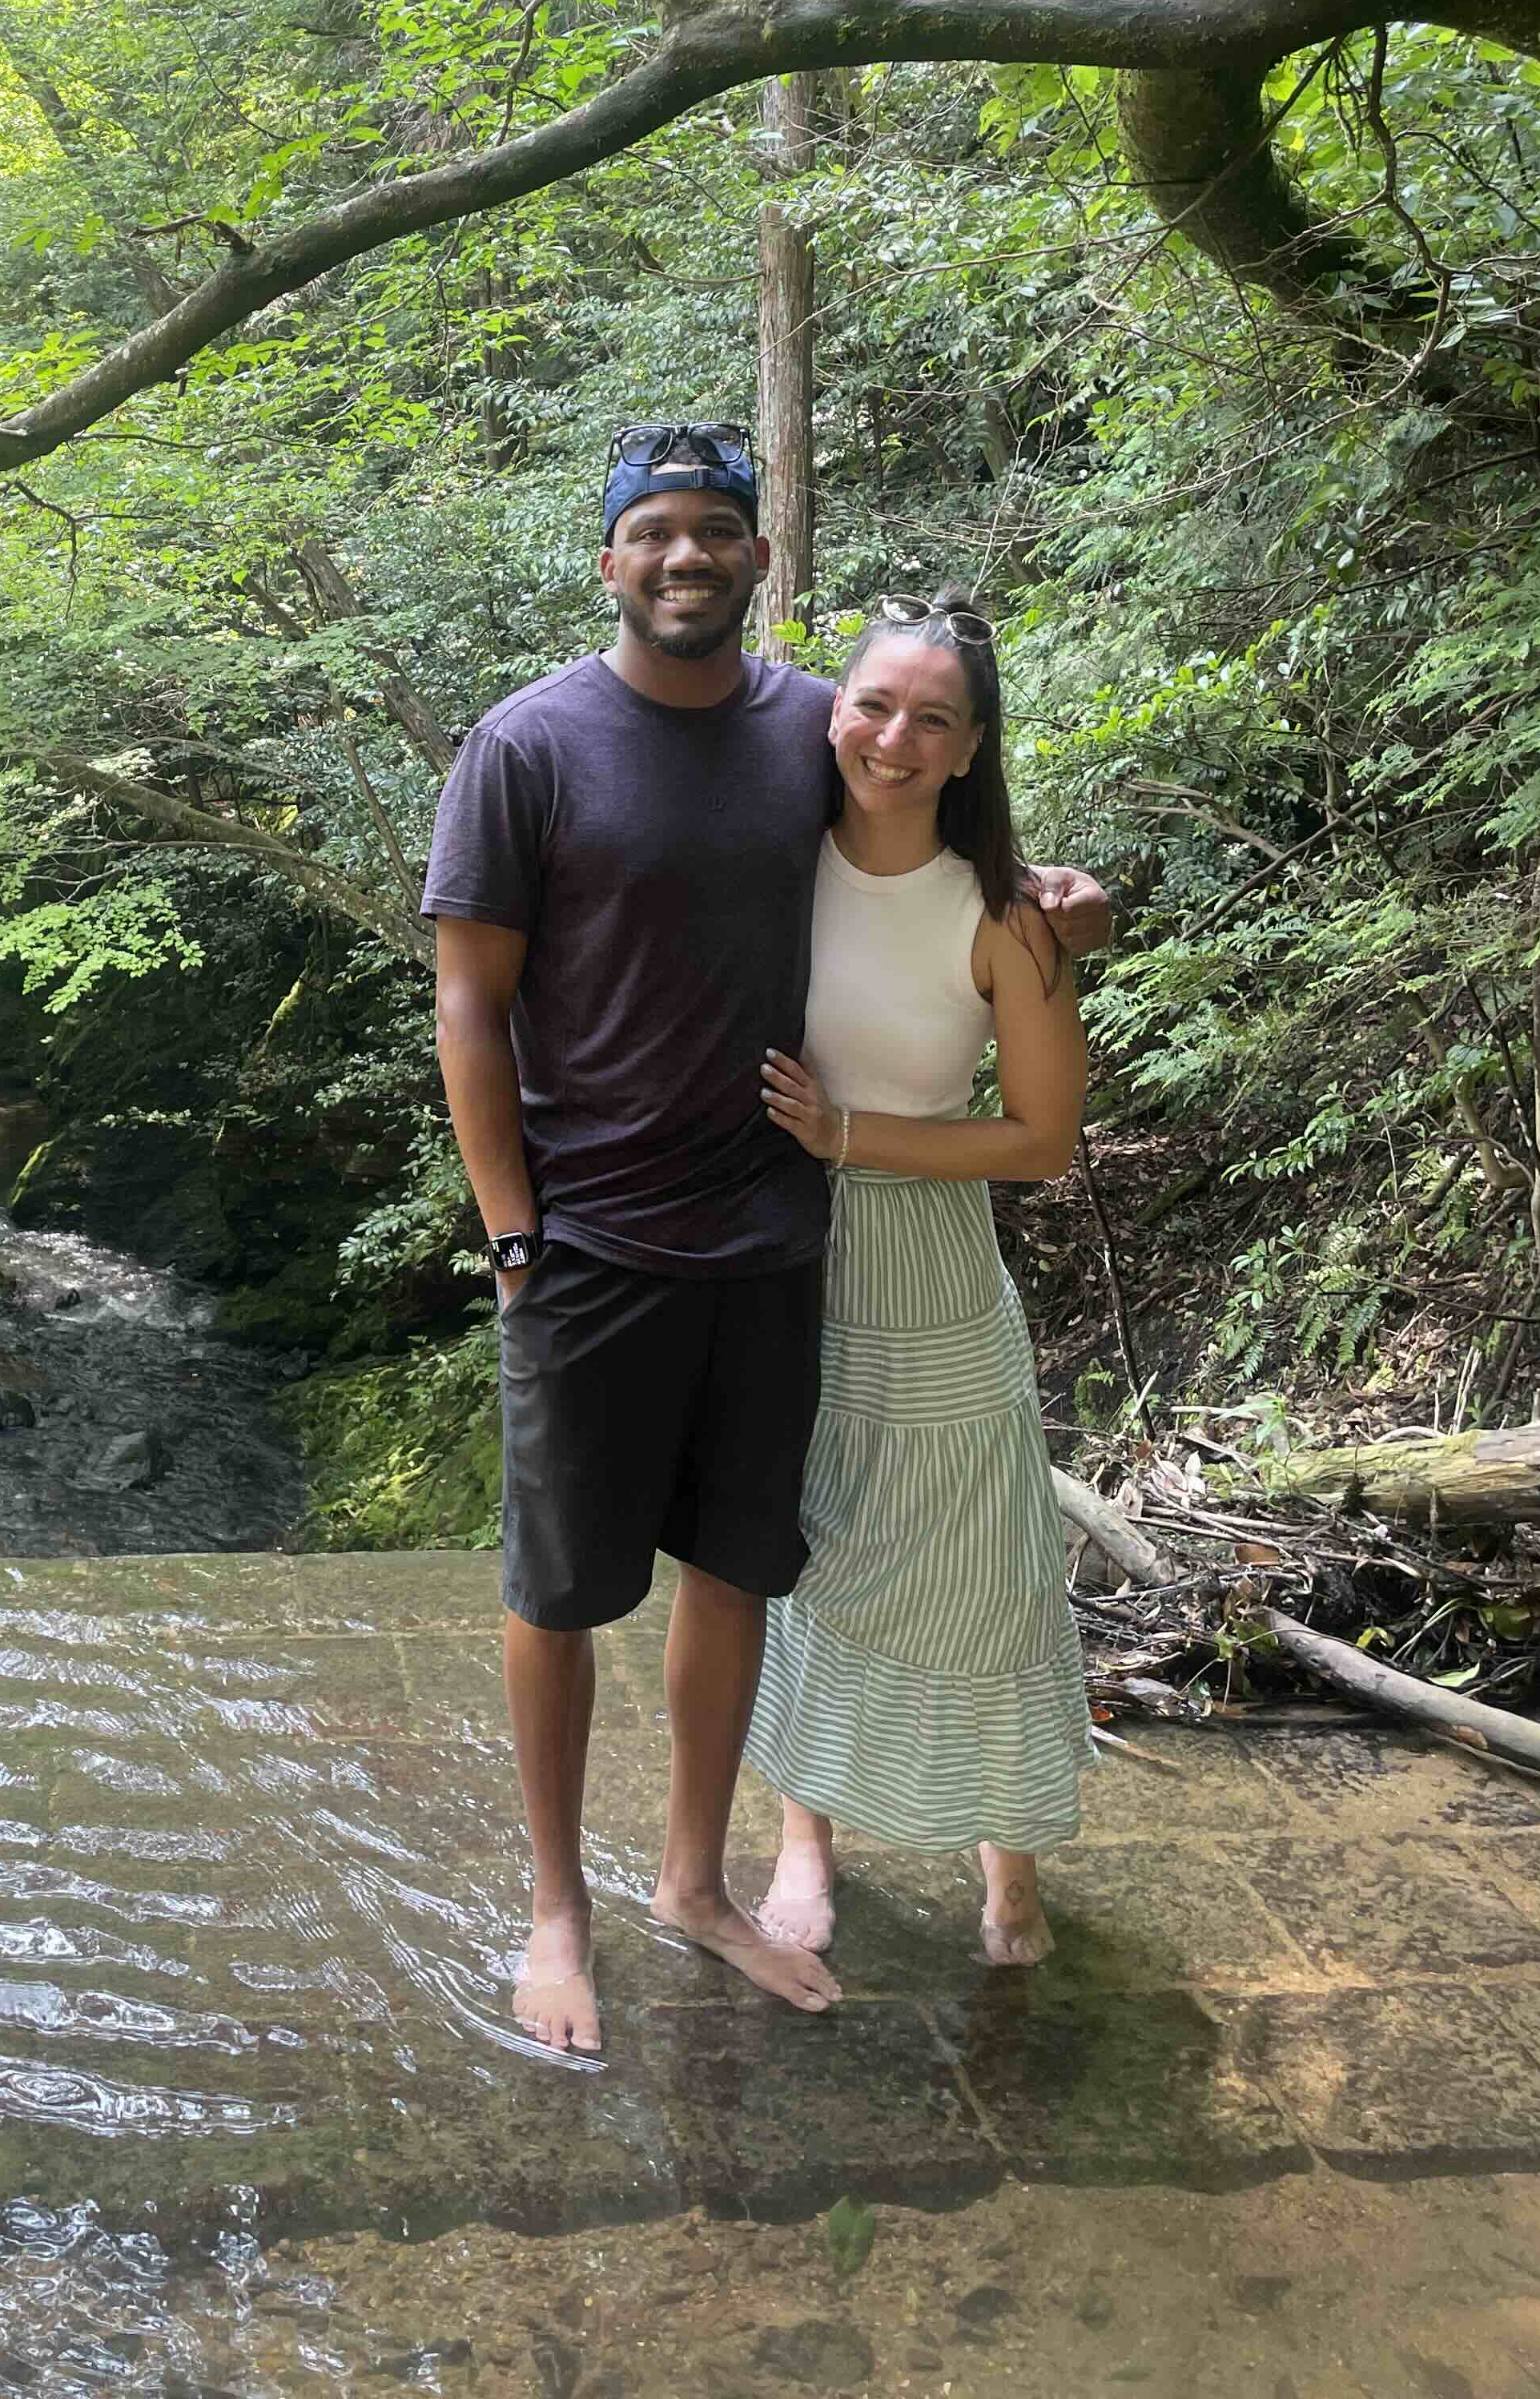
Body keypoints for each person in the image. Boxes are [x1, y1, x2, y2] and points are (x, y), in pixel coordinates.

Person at [422, 434, 1108, 2056]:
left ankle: (695, 1885)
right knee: (560, 1590)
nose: (684, 558)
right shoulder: (527, 748)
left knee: (742, 1576)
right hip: (588, 1237)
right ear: (607, 562)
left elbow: (935, 816)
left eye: (715, 531)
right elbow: (469, 999)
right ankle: (555, 1918)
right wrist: (511, 1237)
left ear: (756, 560)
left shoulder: (812, 722)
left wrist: (1071, 903)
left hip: (769, 1236)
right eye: (651, 533)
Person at [747, 590, 1093, 1967]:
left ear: (969, 748)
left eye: (930, 719)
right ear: (833, 709)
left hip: (935, 1257)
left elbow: (1045, 1139)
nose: (893, 738)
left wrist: (852, 1134)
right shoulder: (765, 862)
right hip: (777, 1253)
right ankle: (804, 1838)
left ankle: (1008, 1870)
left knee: (983, 1564)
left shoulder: (1005, 913)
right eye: (874, 704)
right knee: (799, 1548)